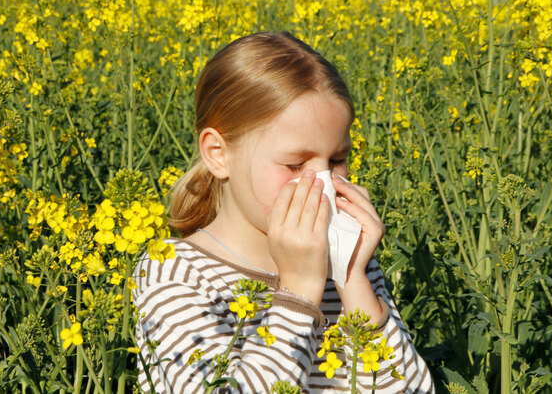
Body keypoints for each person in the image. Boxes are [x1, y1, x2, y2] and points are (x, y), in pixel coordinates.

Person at [133, 32, 434, 393]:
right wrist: (298, 293)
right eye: (294, 165)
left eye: (338, 160)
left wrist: (352, 276)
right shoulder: (177, 273)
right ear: (218, 154)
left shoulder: (346, 262)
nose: (322, 183)